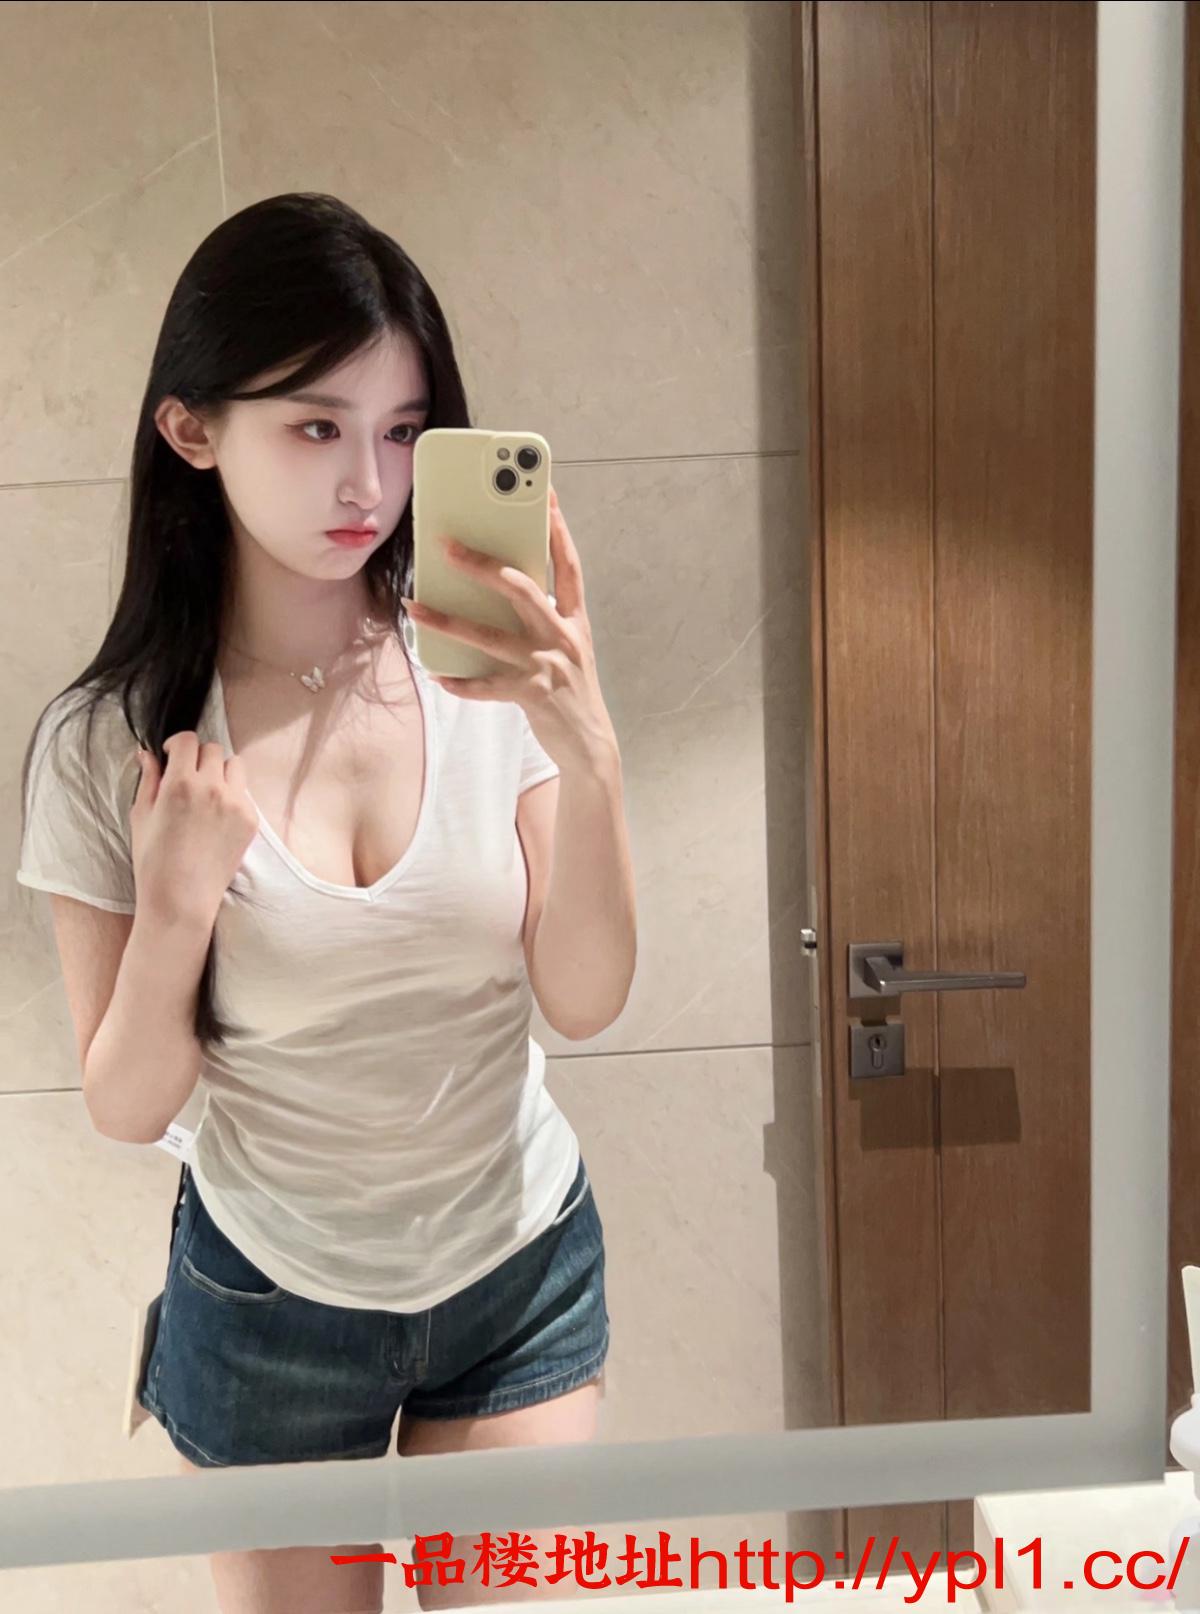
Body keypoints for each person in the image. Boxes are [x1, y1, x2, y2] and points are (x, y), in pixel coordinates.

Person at [15, 192, 638, 1614]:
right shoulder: (109, 743)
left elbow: (586, 996)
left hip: (517, 1264)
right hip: (268, 1303)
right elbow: (128, 1103)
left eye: (404, 430)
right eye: (314, 427)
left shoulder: (488, 679)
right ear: (193, 431)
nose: (368, 481)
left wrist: (589, 749)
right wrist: (176, 904)